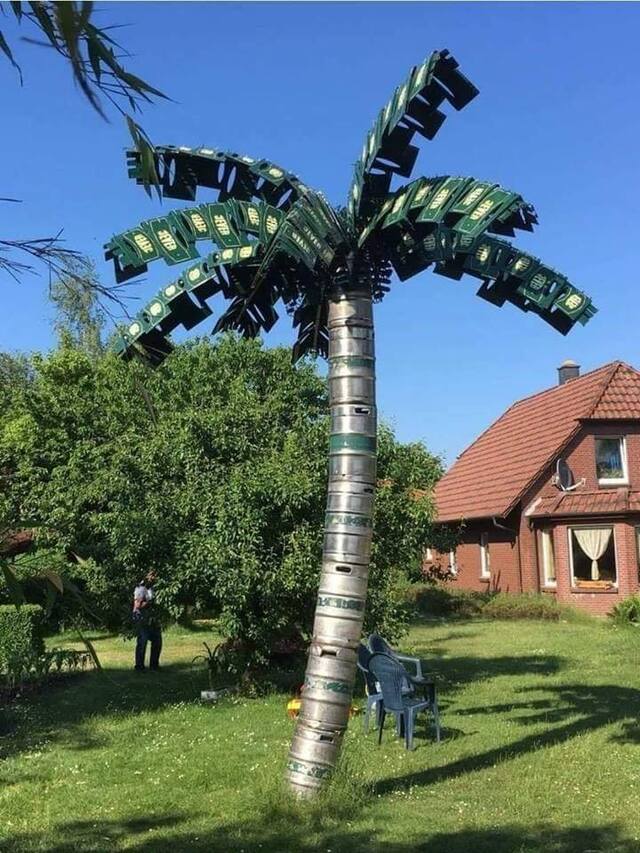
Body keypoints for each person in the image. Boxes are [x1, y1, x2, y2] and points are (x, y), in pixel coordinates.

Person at [133, 571, 162, 672]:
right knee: (142, 642)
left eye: (155, 575)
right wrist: (150, 602)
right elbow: (137, 605)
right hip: (142, 619)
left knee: (157, 641)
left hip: (152, 619)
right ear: (146, 576)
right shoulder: (141, 588)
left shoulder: (153, 588)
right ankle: (139, 667)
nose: (154, 577)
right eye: (152, 575)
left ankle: (154, 665)